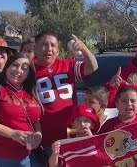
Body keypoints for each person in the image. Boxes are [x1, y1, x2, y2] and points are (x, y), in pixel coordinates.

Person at [31, 31, 98, 163]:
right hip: (45, 138)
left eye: (53, 45)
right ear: (36, 49)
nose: (49, 49)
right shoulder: (29, 70)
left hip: (72, 134)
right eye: (44, 44)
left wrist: (84, 49)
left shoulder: (68, 65)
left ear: (58, 50)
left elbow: (92, 67)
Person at [0, 52, 43, 166]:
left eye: (24, 68)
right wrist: (12, 134)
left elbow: (35, 119)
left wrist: (38, 133)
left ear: (28, 73)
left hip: (25, 157)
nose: (18, 70)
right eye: (14, 65)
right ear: (7, 67)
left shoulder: (30, 93)